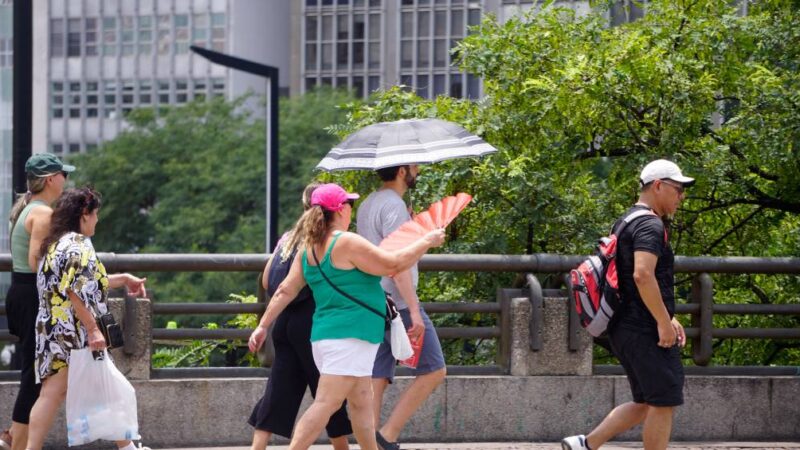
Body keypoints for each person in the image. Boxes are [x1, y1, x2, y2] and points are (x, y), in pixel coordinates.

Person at [248, 183, 445, 450]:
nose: (351, 209)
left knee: (362, 401)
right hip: (350, 336)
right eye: (350, 204)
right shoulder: (347, 242)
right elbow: (393, 265)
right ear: (340, 210)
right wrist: (426, 241)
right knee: (325, 404)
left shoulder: (309, 247)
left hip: (329, 335)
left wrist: (262, 326)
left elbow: (285, 290)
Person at [562, 159, 693, 450]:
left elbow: (629, 278)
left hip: (625, 326)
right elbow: (642, 275)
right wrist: (662, 322)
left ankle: (585, 444)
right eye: (678, 189)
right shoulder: (650, 225)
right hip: (644, 329)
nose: (681, 196)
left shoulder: (627, 220)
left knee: (646, 401)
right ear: (659, 186)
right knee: (664, 401)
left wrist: (668, 316)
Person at [25, 187, 149, 450]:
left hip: (51, 330)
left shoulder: (56, 243)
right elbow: (75, 289)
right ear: (84, 214)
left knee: (60, 393)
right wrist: (93, 329)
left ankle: (126, 446)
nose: (97, 220)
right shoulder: (79, 245)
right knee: (96, 388)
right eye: (95, 214)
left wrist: (123, 279)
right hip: (74, 331)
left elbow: (84, 282)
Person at [248, 182, 352, 450]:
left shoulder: (289, 236)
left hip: (283, 324)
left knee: (278, 392)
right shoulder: (325, 240)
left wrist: (263, 325)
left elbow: (269, 280)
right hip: (312, 321)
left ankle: (257, 448)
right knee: (330, 392)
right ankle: (341, 447)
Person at [356, 164, 446, 450]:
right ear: (402, 170)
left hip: (373, 298)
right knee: (434, 369)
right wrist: (415, 310)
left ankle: (369, 443)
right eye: (415, 168)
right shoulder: (393, 205)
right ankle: (388, 434)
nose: (418, 172)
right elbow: (398, 264)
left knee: (377, 376)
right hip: (398, 303)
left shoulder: (368, 203)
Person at [1, 153, 74, 450]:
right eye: (63, 174)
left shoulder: (27, 208)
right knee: (34, 375)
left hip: (22, 293)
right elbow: (35, 262)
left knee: (36, 372)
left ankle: (16, 437)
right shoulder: (42, 213)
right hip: (32, 295)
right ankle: (17, 443)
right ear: (50, 180)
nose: (66, 180)